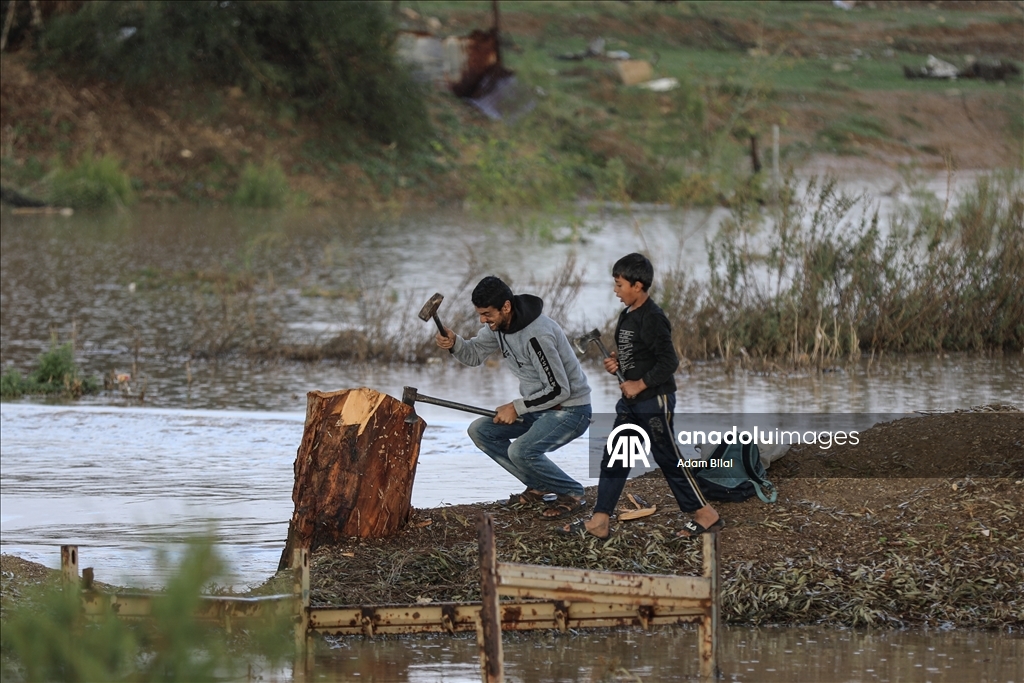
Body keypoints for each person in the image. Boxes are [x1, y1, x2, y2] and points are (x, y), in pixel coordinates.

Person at [561, 253, 722, 540]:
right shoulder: (627, 315)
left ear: (637, 285)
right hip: (632, 403)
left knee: (667, 456)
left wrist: (639, 384)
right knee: (615, 456)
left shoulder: (654, 317)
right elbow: (634, 356)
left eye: (619, 284)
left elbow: (669, 361)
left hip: (654, 400)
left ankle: (704, 514)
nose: (615, 290)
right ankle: (600, 520)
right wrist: (618, 365)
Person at [436, 276, 592, 519]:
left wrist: (516, 407)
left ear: (506, 307)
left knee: (520, 451)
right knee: (480, 430)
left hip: (570, 411)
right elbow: (474, 355)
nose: (483, 320)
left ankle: (572, 492)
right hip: (539, 409)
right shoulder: (499, 327)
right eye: (480, 314)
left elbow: (559, 390)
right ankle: (539, 486)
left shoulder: (537, 335)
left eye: (487, 314)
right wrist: (455, 342)